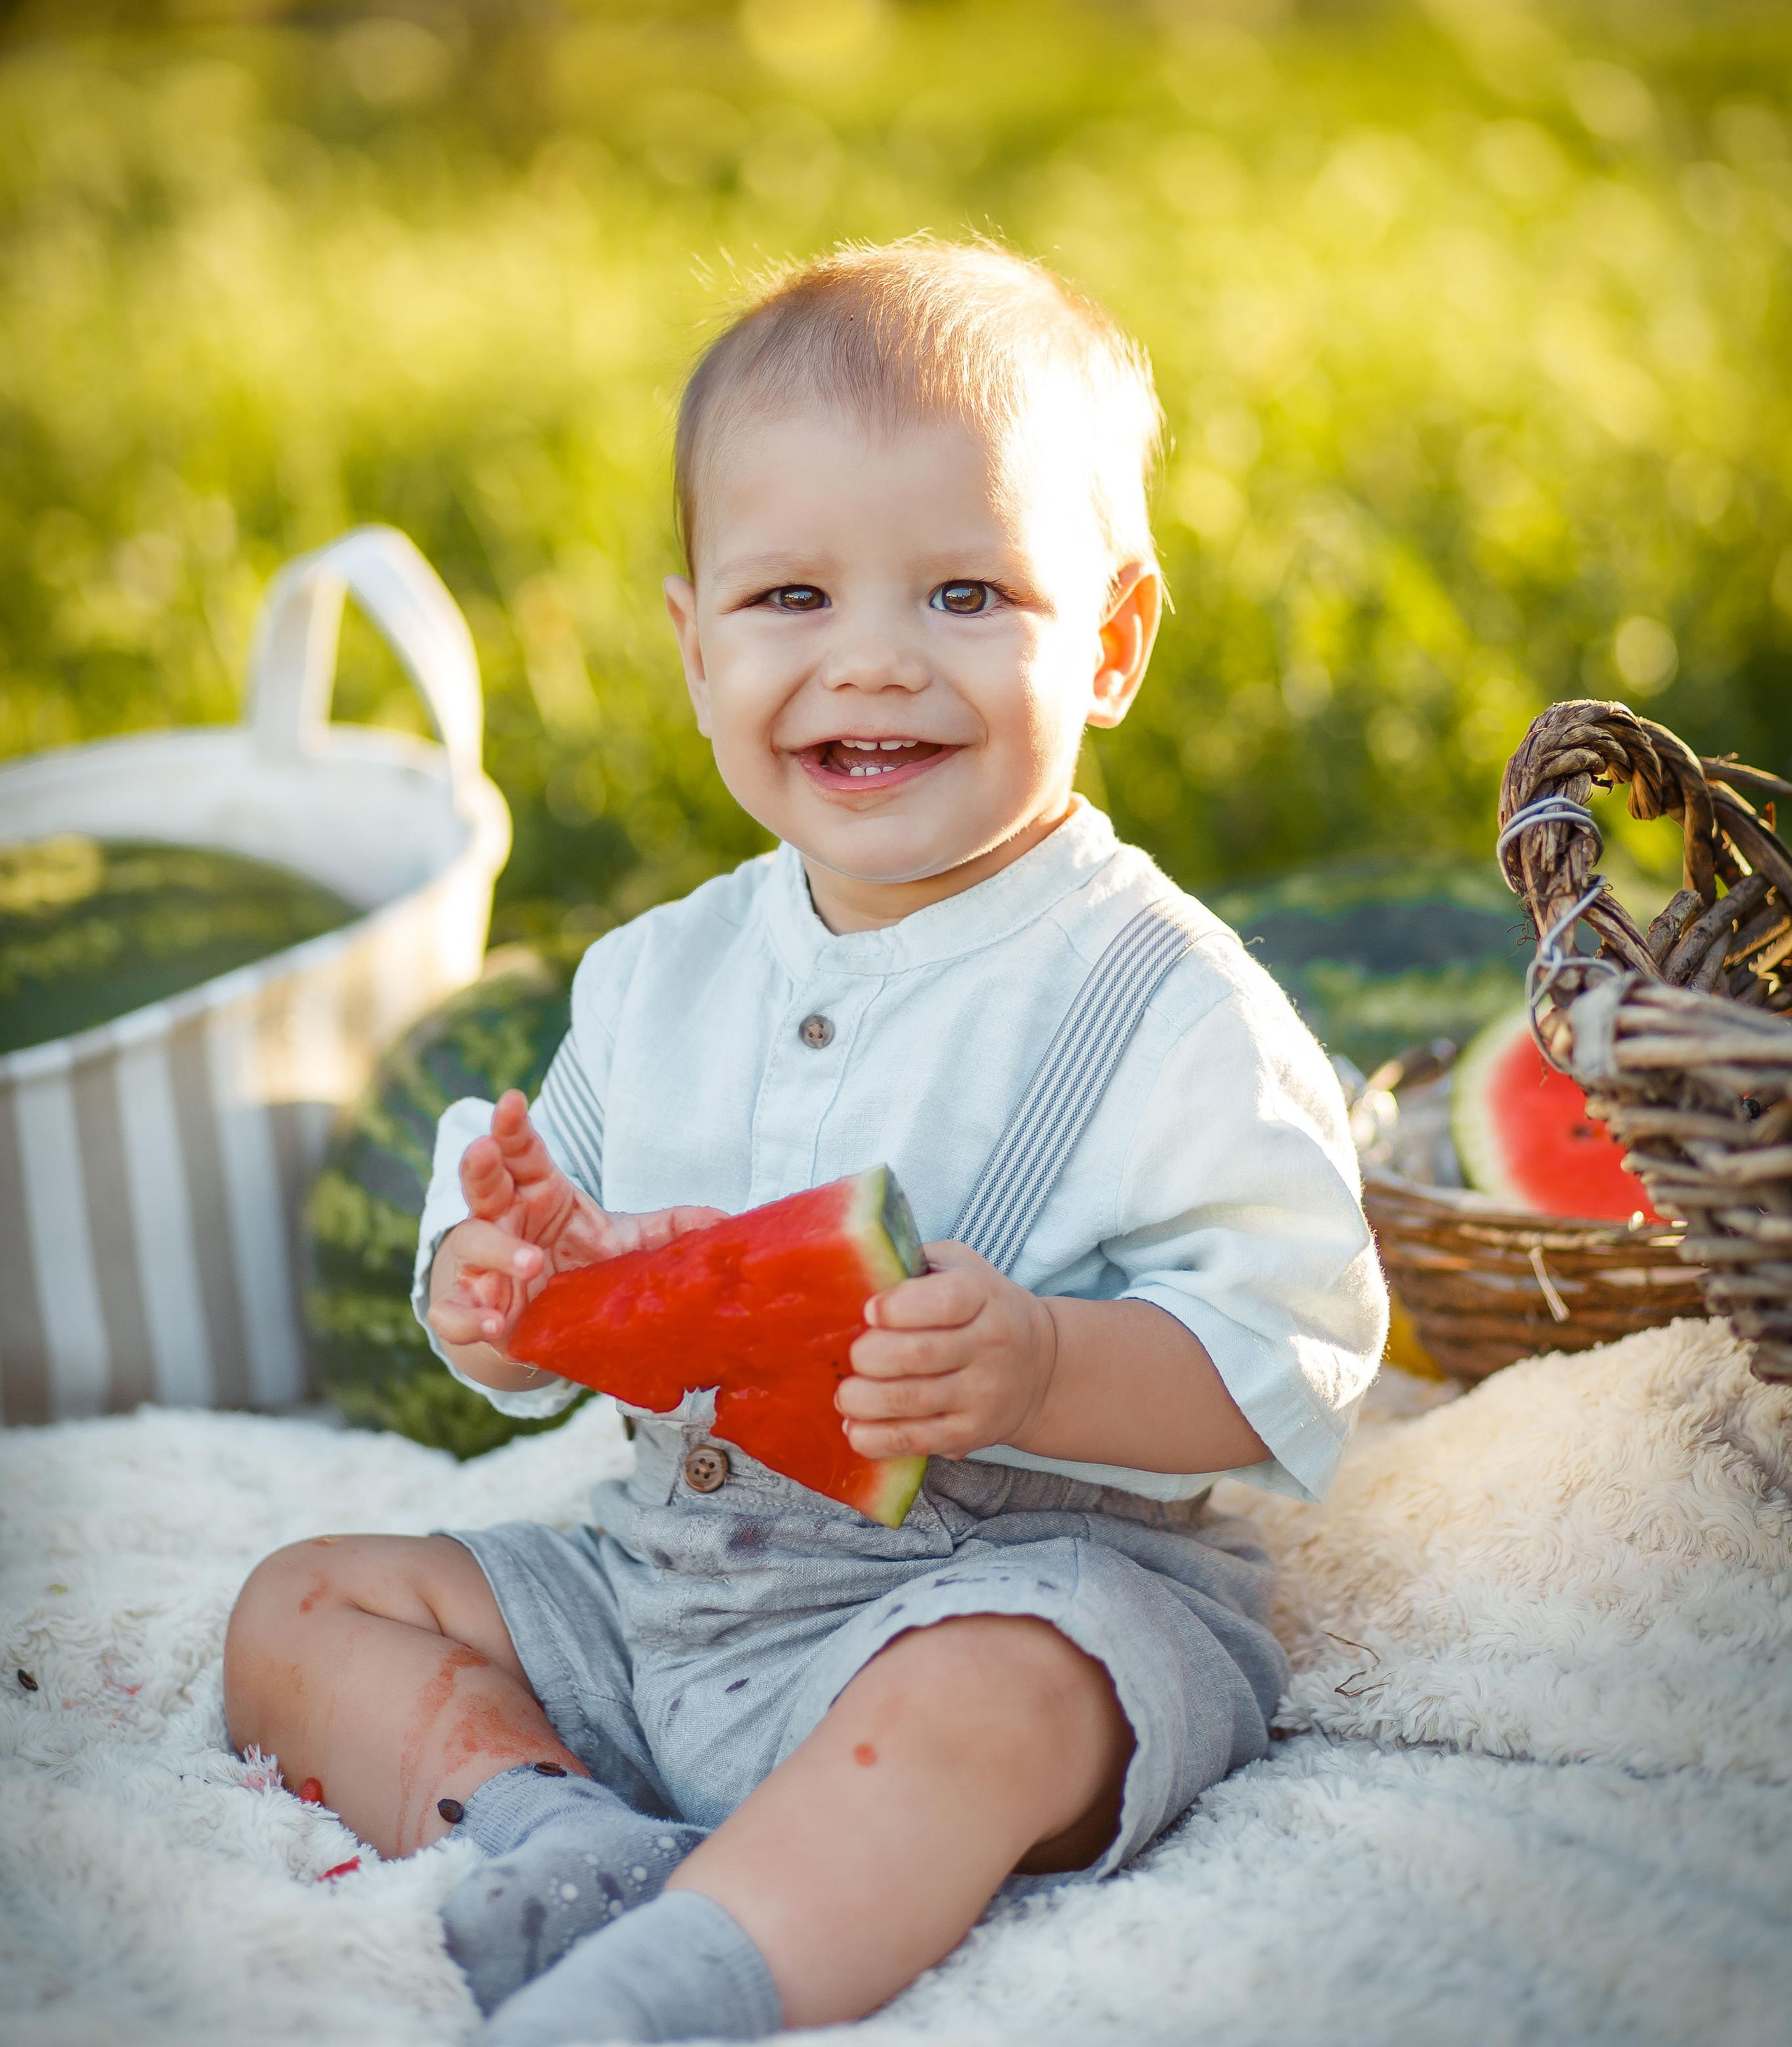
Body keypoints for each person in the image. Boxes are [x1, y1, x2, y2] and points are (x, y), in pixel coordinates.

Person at [225, 241, 1387, 2043]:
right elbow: (557, 1318)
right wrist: (499, 1291)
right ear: (692, 652)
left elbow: (1294, 1351)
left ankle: (676, 1986)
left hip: (999, 1589)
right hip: (654, 1587)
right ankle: (545, 1827)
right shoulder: (654, 974)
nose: (871, 661)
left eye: (962, 593)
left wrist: (1045, 1363)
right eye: (788, 599)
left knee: (992, 1706)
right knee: (300, 1607)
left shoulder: (1163, 996)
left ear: (1113, 642)